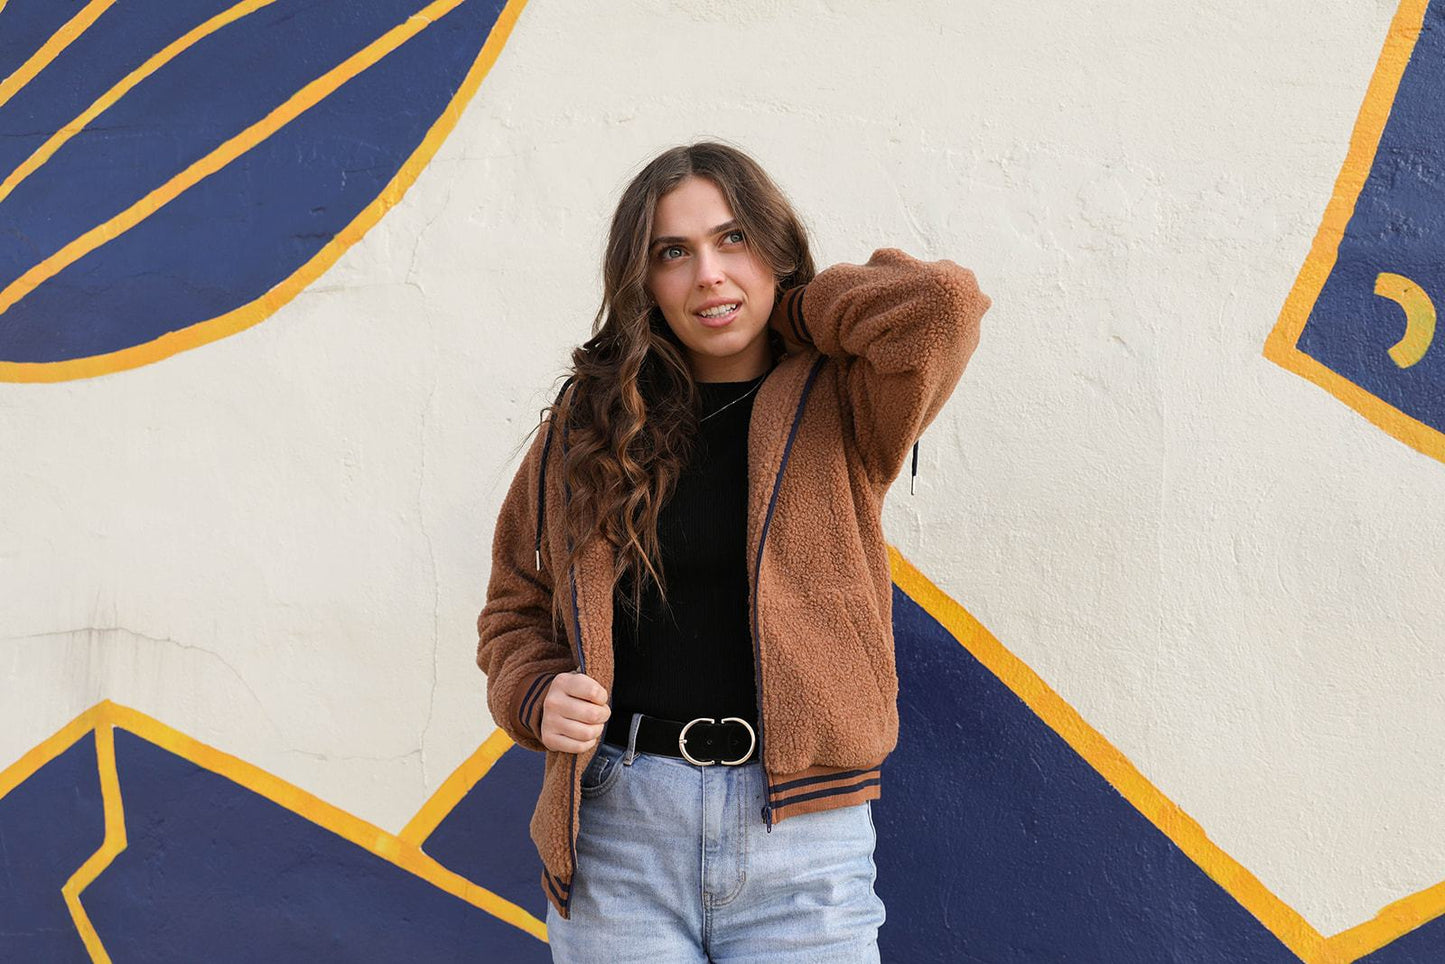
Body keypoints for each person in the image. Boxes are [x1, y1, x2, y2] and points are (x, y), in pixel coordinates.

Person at [476, 140, 989, 963]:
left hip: (803, 838)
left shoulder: (849, 400)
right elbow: (513, 604)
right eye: (672, 254)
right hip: (619, 831)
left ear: (775, 248)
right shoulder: (590, 422)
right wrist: (532, 692)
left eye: (732, 240)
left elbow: (942, 304)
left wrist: (787, 307)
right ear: (642, 283)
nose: (707, 274)